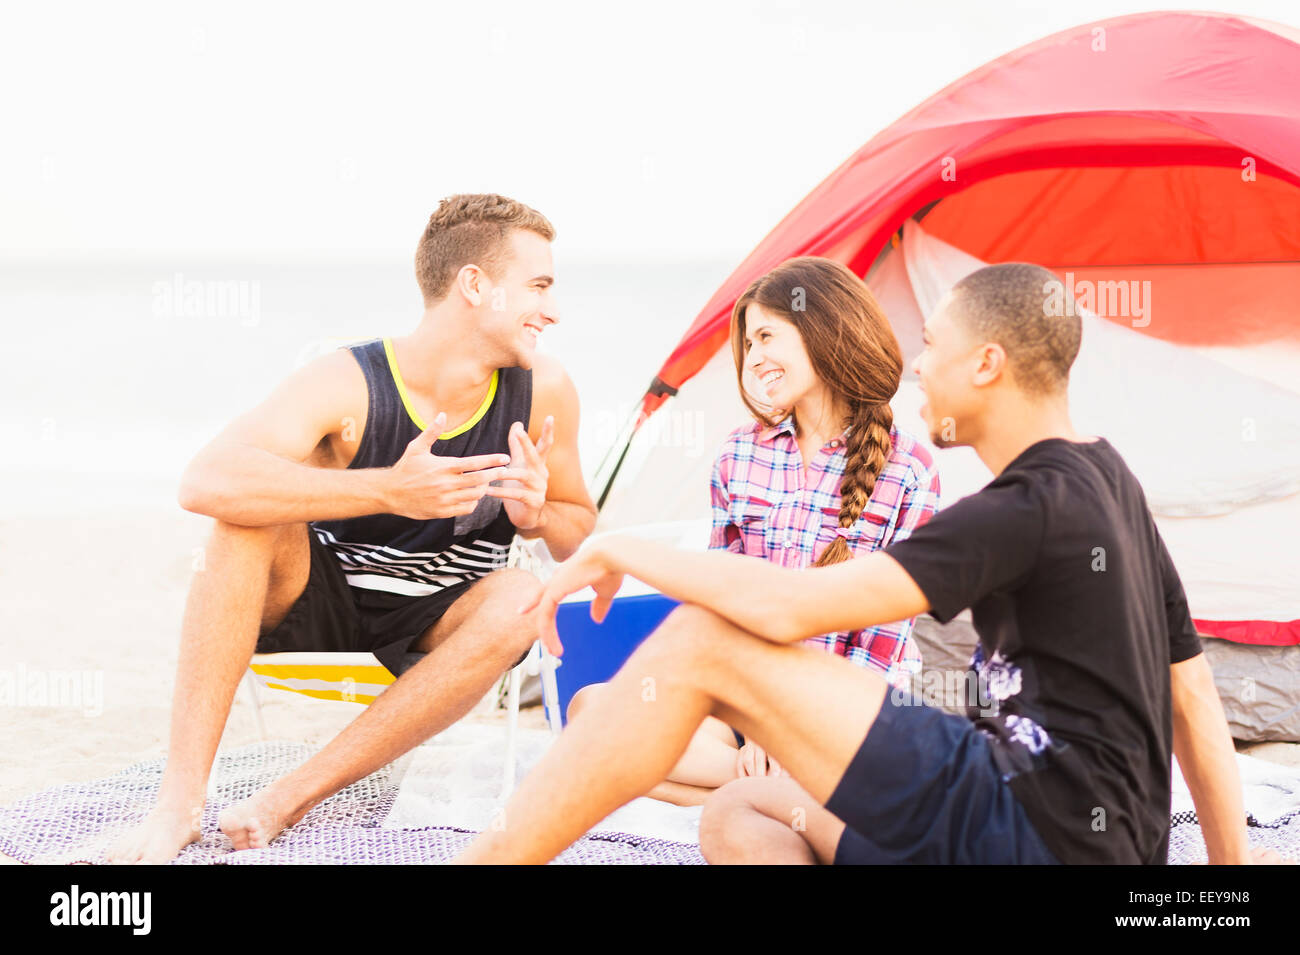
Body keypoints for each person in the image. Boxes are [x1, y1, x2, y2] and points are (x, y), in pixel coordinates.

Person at [457, 262, 1278, 866]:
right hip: (1078, 835)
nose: (917, 364)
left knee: (702, 643)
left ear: (986, 364)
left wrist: (616, 545)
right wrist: (1227, 879)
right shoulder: (1106, 475)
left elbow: (787, 607)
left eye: (934, 345)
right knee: (738, 813)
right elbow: (1194, 698)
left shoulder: (1020, 508)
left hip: (1024, 826)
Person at [108, 193, 597, 864]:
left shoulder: (543, 389)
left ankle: (292, 795)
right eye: (539, 286)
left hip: (444, 617)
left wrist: (538, 515)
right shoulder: (348, 381)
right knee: (242, 520)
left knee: (521, 595)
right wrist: (389, 489)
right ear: (475, 285)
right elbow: (206, 480)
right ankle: (179, 806)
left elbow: (578, 533)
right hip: (324, 597)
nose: (553, 309)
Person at [565, 257, 939, 806]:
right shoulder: (739, 454)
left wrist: (793, 732)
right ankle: (778, 794)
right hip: (745, 701)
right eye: (748, 342)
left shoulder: (910, 468)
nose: (754, 356)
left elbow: (885, 640)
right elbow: (722, 602)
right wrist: (761, 723)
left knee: (626, 763)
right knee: (590, 711)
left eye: (766, 335)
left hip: (852, 711)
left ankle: (770, 788)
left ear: (824, 328)